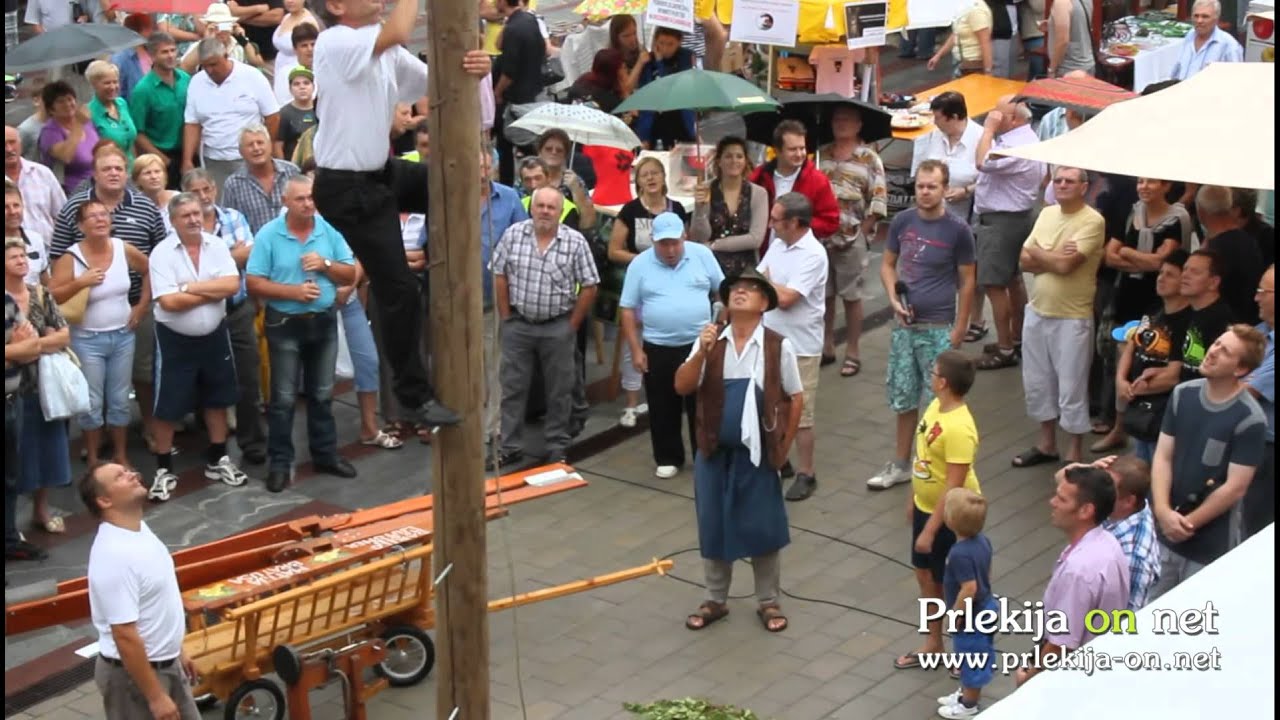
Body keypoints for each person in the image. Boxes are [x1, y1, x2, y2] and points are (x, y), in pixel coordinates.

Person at [310, 0, 491, 429]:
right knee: (399, 291)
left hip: (379, 173)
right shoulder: (335, 40)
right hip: (346, 187)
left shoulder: (384, 49)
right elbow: (394, 32)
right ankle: (413, 397)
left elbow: (438, 81)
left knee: (449, 182)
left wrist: (475, 65)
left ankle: (439, 259)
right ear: (337, 6)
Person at [674, 267, 803, 634]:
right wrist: (702, 351)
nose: (740, 293)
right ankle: (715, 599)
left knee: (763, 526)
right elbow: (682, 386)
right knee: (713, 522)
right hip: (714, 452)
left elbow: (795, 398)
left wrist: (783, 448)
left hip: (759, 456)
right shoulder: (712, 341)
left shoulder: (778, 346)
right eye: (735, 289)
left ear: (764, 304)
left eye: (750, 289)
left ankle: (768, 600)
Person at [867, 161, 976, 491]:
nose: (925, 192)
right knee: (903, 397)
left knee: (938, 402)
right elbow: (887, 266)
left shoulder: (958, 230)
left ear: (945, 189)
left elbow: (968, 281)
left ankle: (932, 467)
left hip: (939, 327)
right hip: (905, 327)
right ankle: (901, 463)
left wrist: (960, 327)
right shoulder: (902, 221)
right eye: (920, 186)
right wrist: (892, 297)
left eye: (932, 186)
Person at [247, 175, 358, 492]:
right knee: (282, 399)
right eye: (300, 199)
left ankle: (325, 454)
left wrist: (324, 264)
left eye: (311, 197)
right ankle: (280, 463)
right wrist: (293, 292)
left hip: (323, 320)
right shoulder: (269, 235)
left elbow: (349, 273)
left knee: (322, 393)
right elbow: (253, 282)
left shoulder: (327, 229)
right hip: (284, 323)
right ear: (285, 202)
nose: (308, 204)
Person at [1150, 325, 1267, 598]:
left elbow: (1235, 487)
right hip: (1162, 532)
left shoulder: (1249, 419)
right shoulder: (1183, 394)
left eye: (1224, 351)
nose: (1212, 351)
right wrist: (1163, 511)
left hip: (1209, 545)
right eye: (1216, 343)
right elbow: (1163, 456)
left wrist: (1185, 523)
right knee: (1143, 610)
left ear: (1239, 369)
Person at [147, 194, 248, 500]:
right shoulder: (161, 253)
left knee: (218, 397)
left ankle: (218, 460)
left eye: (196, 213)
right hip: (174, 340)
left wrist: (190, 287)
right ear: (173, 221)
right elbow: (169, 302)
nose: (193, 219)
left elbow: (231, 286)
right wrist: (211, 291)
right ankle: (164, 470)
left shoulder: (215, 245)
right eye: (185, 215)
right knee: (167, 405)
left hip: (215, 334)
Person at [490, 187, 600, 468]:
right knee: (512, 388)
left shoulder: (574, 242)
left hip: (558, 326)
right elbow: (499, 273)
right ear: (532, 207)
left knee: (559, 390)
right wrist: (506, 316)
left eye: (551, 207)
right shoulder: (514, 234)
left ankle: (557, 446)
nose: (544, 211)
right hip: (519, 324)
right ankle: (510, 446)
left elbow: (590, 285)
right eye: (540, 205)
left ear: (560, 211)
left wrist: (572, 324)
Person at [80, 462, 200, 720]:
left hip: (165, 664)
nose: (133, 474)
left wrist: (176, 648)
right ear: (104, 500)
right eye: (120, 477)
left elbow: (155, 600)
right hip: (134, 679)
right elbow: (124, 634)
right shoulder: (113, 555)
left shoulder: (137, 530)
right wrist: (156, 696)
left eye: (129, 470)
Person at [890, 350, 983, 674]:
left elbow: (954, 486)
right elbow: (925, 458)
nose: (930, 375)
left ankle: (967, 649)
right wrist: (914, 499)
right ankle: (934, 642)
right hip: (925, 508)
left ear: (943, 382)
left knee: (957, 585)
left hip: (949, 519)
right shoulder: (935, 406)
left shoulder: (960, 428)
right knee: (925, 576)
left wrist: (930, 529)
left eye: (934, 372)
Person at [1013, 166, 1105, 467]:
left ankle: (1075, 451)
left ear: (1084, 187)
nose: (1062, 185)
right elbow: (1023, 259)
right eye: (1058, 180)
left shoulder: (1092, 220)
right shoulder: (1047, 213)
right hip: (1037, 311)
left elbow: (1067, 266)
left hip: (1072, 317)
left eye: (1069, 181)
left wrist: (1041, 252)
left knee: (1071, 386)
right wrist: (1055, 256)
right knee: (1038, 381)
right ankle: (1047, 443)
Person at [620, 211, 724, 478]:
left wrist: (721, 325)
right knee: (661, 403)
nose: (669, 250)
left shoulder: (702, 255)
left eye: (675, 243)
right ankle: (668, 456)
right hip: (657, 344)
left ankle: (705, 452)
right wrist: (635, 349)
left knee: (701, 402)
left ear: (684, 237)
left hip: (698, 344)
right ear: (653, 241)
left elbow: (723, 290)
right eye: (663, 244)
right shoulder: (640, 265)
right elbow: (628, 309)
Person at [49, 201, 152, 468]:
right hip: (86, 339)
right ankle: (93, 459)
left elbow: (150, 269)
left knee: (119, 399)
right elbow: (53, 295)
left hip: (122, 336)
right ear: (81, 225)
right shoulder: (71, 257)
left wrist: (141, 306)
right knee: (92, 401)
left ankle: (120, 455)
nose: (99, 220)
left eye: (103, 214)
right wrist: (80, 282)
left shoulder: (122, 248)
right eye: (92, 216)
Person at [1014, 465, 1129, 687]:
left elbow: (1060, 643)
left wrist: (1028, 679)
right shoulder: (1108, 543)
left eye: (1062, 499)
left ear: (1086, 510)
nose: (1052, 502)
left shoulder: (1079, 571)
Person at [180, 168, 265, 465]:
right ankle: (214, 447)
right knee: (207, 378)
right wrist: (231, 257)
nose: (204, 197)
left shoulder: (233, 217)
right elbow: (190, 268)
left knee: (248, 376)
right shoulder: (182, 226)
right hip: (203, 312)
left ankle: (253, 442)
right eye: (197, 192)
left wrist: (213, 263)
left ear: (214, 189)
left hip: (237, 307)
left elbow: (250, 254)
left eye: (207, 189)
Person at [758, 193, 829, 502]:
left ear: (794, 223)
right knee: (772, 404)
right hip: (771, 338)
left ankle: (807, 472)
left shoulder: (813, 254)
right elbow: (761, 279)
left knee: (802, 414)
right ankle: (780, 459)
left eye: (776, 220)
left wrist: (769, 286)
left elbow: (787, 300)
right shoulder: (777, 245)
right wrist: (770, 285)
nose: (771, 225)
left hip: (802, 345)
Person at [609, 156, 689, 426]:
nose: (651, 178)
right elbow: (614, 250)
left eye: (656, 173)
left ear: (664, 177)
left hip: (674, 284)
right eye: (645, 174)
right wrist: (645, 261)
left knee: (672, 340)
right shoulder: (630, 211)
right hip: (642, 284)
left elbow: (686, 244)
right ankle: (631, 404)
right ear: (638, 181)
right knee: (636, 342)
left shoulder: (676, 208)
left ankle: (672, 396)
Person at [5, 238, 71, 534]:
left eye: (23, 255)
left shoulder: (41, 294)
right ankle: (11, 525)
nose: (21, 260)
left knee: (47, 450)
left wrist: (33, 344)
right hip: (15, 389)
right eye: (13, 257)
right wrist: (31, 345)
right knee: (16, 456)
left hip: (45, 387)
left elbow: (64, 335)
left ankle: (41, 511)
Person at [972, 97, 1042, 371]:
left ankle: (1004, 348)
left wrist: (988, 129)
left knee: (994, 284)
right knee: (1014, 281)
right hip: (1020, 216)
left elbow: (981, 162)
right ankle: (1016, 337)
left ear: (1012, 119)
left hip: (1002, 222)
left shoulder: (1014, 146)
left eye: (998, 114)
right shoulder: (1029, 138)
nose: (993, 116)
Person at [1103, 251, 1193, 462]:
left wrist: (1133, 389)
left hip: (1161, 410)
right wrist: (1121, 380)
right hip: (1139, 405)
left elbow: (1174, 374)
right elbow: (1133, 345)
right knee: (1139, 462)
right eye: (1160, 273)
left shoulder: (1186, 322)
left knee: (1157, 463)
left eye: (1170, 275)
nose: (1161, 278)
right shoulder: (1153, 310)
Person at [818, 105, 886, 378]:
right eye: (836, 118)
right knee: (825, 296)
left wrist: (864, 232)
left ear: (858, 125)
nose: (841, 123)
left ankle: (854, 351)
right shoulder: (821, 154)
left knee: (852, 296)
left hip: (852, 236)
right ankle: (827, 344)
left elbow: (879, 198)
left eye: (847, 120)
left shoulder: (869, 158)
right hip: (821, 238)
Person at [182, 37, 280, 189]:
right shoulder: (196, 82)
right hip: (212, 158)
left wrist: (266, 150)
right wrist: (187, 159)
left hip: (248, 158)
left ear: (226, 56)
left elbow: (272, 116)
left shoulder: (252, 76)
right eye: (205, 66)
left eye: (214, 64)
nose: (209, 70)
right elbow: (192, 124)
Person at [935, 488, 994, 719]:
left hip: (973, 615)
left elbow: (969, 588)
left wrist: (957, 615)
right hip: (986, 606)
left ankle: (968, 705)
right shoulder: (983, 541)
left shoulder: (959, 553)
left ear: (950, 521)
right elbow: (986, 572)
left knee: (971, 656)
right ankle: (964, 693)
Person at [748, 120, 840, 253]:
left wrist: (797, 223)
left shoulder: (818, 180)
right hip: (762, 254)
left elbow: (831, 223)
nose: (799, 154)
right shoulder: (759, 176)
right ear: (777, 151)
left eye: (802, 148)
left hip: (800, 256)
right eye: (792, 149)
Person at [5, 290, 49, 562]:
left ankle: (9, 539)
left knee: (10, 478)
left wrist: (15, 351)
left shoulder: (7, 301)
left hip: (12, 402)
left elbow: (33, 348)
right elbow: (23, 349)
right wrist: (14, 349)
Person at [691, 135, 769, 278]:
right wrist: (700, 208)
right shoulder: (706, 189)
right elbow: (700, 237)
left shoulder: (758, 193)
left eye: (739, 156)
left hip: (746, 271)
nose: (734, 161)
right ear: (719, 161)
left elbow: (756, 239)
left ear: (745, 161)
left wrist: (715, 245)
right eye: (728, 156)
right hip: (711, 268)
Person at [492, 0, 547, 184]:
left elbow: (509, 72)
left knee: (507, 147)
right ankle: (539, 178)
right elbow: (499, 45)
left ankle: (509, 183)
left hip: (514, 99)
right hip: (533, 92)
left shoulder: (514, 29)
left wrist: (497, 92)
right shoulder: (529, 20)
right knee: (530, 142)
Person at [1098, 454, 1162, 610]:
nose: (1098, 492)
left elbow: (1126, 616)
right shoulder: (1122, 509)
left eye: (1108, 489)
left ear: (1129, 501)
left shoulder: (1132, 556)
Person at [129, 32, 190, 188]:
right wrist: (164, 160)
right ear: (152, 56)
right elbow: (138, 133)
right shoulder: (143, 90)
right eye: (164, 52)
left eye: (172, 50)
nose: (170, 55)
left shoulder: (185, 79)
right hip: (162, 155)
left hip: (188, 152)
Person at [1196, 185, 1264, 324]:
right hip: (1247, 323)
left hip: (1221, 326)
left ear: (1201, 212)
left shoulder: (1214, 253)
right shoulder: (1249, 241)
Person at [222, 124, 301, 233]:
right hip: (255, 247)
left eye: (260, 143)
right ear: (240, 152)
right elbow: (229, 223)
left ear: (270, 146)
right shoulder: (233, 184)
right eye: (250, 145)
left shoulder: (292, 172)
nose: (256, 148)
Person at [1243, 266, 1274, 538]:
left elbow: (1240, 389)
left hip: (1267, 450)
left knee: (1253, 527)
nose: (1256, 298)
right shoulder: (1260, 332)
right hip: (1246, 441)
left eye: (1262, 291)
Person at [1178, 249, 1236, 383]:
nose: (1185, 275)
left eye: (1195, 272)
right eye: (1185, 269)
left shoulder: (1222, 320)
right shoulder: (1191, 312)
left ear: (1213, 282)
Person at [634, 28, 696, 150]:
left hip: (680, 118)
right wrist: (643, 136)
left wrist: (660, 63)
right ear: (655, 41)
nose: (665, 49)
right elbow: (645, 94)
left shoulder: (686, 57)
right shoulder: (647, 60)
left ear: (679, 42)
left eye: (670, 44)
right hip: (655, 121)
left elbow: (672, 87)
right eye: (661, 43)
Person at [37, 82, 101, 195]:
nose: (67, 104)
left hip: (99, 184)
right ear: (51, 109)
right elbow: (66, 156)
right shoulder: (50, 131)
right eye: (60, 101)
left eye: (70, 99)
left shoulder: (88, 123)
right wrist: (78, 124)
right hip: (73, 191)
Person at [6, 125, 66, 243]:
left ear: (20, 144)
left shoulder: (43, 173)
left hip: (49, 251)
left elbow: (63, 216)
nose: (8, 149)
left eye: (12, 142)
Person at [534, 129, 596, 230]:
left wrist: (576, 190)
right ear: (539, 152)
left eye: (559, 150)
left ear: (565, 155)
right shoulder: (530, 177)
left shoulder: (575, 180)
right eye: (548, 149)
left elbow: (588, 223)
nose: (554, 152)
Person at [1170, 0, 1243, 80]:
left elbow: (1235, 80)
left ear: (1216, 19)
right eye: (1196, 16)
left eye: (1205, 16)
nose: (1199, 21)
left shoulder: (1229, 45)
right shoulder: (1190, 35)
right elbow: (1177, 70)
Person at [86, 62, 139, 166]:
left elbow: (131, 142)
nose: (113, 87)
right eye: (107, 83)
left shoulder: (122, 103)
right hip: (110, 171)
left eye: (115, 82)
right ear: (94, 84)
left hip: (131, 169)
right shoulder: (89, 113)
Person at [927, 0, 994, 76]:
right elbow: (956, 34)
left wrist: (988, 71)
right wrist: (938, 55)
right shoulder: (964, 7)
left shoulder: (976, 9)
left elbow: (985, 42)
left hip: (973, 66)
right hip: (962, 64)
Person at [271, 0, 318, 104]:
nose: (290, 1)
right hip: (281, 69)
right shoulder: (286, 17)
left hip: (302, 67)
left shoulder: (308, 21)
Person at [5, 182, 49, 286]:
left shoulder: (35, 239)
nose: (12, 212)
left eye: (16, 205)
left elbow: (45, 282)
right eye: (5, 207)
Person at [109, 13, 156, 101]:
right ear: (141, 31)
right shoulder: (120, 58)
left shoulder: (151, 51)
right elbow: (117, 92)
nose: (152, 32)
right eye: (149, 28)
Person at [275, 67, 316, 162]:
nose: (302, 87)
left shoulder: (321, 110)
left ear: (313, 87)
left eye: (306, 83)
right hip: (294, 165)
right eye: (296, 84)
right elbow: (278, 145)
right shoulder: (284, 113)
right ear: (290, 89)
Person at [568, 48, 627, 113]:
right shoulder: (610, 100)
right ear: (615, 72)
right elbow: (633, 117)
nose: (625, 71)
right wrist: (625, 92)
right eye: (623, 68)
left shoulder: (582, 80)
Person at [132, 154, 179, 234]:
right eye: (147, 173)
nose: (153, 177)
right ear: (137, 180)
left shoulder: (179, 199)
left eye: (157, 172)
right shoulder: (135, 205)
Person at [1046, 0, 1095, 77]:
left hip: (1068, 70)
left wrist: (1051, 69)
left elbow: (1062, 41)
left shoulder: (1061, 2)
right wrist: (1051, 24)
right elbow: (1079, 24)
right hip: (1087, 64)